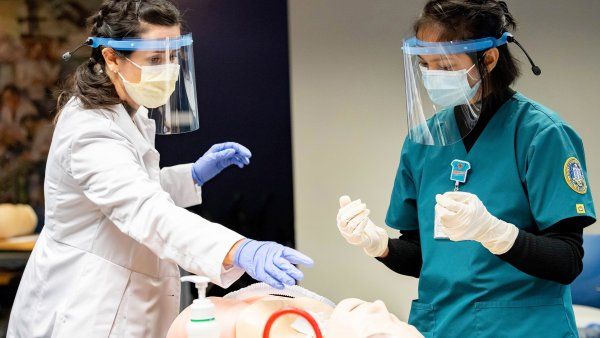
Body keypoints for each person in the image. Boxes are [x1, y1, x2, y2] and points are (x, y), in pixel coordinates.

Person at [7, 1, 313, 337]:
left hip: (125, 296)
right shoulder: (89, 130)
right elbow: (142, 208)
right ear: (111, 57)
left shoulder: (130, 111)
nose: (168, 69)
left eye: (172, 57)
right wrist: (237, 249)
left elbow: (134, 188)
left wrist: (191, 175)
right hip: (85, 308)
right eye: (155, 59)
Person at [336, 0, 596, 337]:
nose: (432, 75)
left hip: (524, 327)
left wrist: (494, 232)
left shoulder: (541, 134)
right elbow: (421, 257)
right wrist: (378, 246)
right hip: (441, 326)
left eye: (445, 66)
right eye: (425, 65)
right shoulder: (423, 141)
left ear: (488, 58)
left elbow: (567, 260)